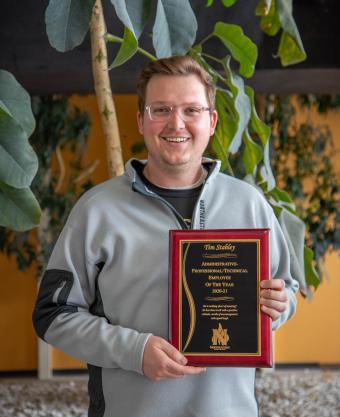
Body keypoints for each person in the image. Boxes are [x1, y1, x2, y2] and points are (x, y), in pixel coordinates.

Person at [33, 55, 299, 417]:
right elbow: (53, 313)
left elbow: (287, 290)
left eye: (192, 110)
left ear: (211, 121)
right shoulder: (96, 211)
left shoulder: (249, 204)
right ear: (141, 120)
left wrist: (280, 306)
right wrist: (134, 351)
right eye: (161, 110)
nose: (177, 123)